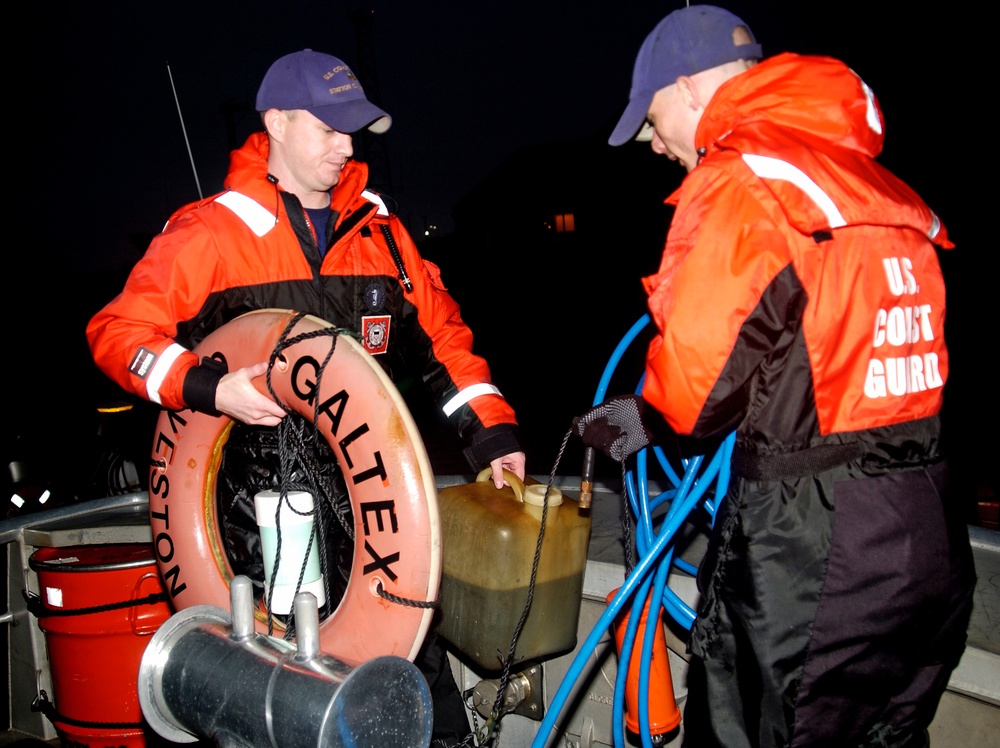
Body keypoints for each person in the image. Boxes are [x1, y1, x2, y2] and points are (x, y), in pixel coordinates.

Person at [87, 48, 526, 744]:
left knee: (422, 699)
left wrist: (491, 434)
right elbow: (117, 333)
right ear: (278, 122)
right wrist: (209, 387)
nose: (346, 147)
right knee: (273, 716)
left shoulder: (381, 237)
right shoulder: (210, 234)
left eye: (353, 130)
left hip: (374, 523)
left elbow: (445, 347)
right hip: (250, 533)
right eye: (329, 128)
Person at [573, 6, 976, 747]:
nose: (656, 144)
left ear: (691, 88)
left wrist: (634, 421)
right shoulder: (878, 185)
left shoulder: (742, 180)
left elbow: (694, 394)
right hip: (930, 538)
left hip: (815, 554)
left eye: (653, 117)